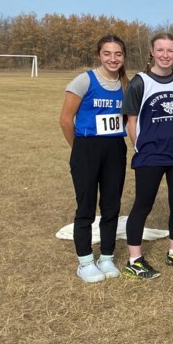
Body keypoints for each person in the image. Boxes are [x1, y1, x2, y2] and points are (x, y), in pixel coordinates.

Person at [121, 32, 173, 279]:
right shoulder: (139, 82)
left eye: (170, 50)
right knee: (143, 205)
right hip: (150, 155)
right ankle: (135, 259)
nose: (165, 55)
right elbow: (131, 121)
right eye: (160, 50)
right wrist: (140, 146)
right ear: (152, 52)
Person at [58, 34, 128, 283]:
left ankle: (106, 256)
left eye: (118, 54)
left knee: (111, 206)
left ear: (124, 56)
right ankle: (85, 261)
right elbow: (66, 120)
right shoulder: (84, 81)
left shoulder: (125, 84)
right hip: (87, 148)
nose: (113, 58)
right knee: (86, 207)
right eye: (107, 53)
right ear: (99, 54)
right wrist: (78, 149)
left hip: (115, 149)